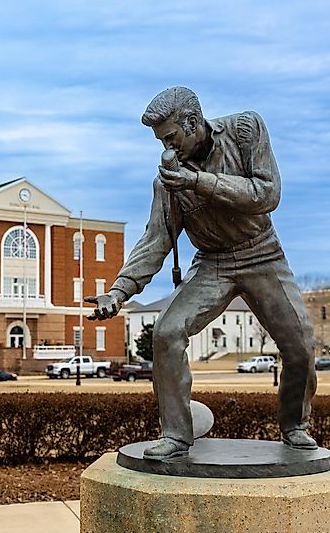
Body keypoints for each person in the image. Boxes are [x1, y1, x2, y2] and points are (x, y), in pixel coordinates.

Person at [88, 86, 317, 459]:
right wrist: (119, 291)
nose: (166, 147)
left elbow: (267, 193)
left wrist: (198, 182)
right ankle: (177, 435)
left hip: (263, 255)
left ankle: (295, 426)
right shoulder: (167, 181)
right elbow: (156, 240)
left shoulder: (246, 130)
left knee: (301, 345)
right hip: (212, 263)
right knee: (166, 332)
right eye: (161, 140)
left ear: (193, 123)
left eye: (171, 137)